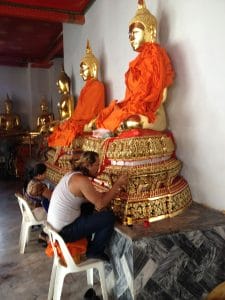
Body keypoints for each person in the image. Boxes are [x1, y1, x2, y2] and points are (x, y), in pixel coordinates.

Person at [86, 0, 174, 133]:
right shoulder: (137, 61)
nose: (131, 38)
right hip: (134, 108)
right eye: (129, 35)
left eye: (135, 32)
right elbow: (129, 98)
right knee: (101, 120)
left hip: (153, 112)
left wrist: (137, 107)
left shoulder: (156, 54)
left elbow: (161, 95)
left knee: (131, 121)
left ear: (150, 31)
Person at [47, 151, 128, 261]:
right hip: (64, 232)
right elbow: (100, 204)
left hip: (56, 229)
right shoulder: (81, 180)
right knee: (108, 217)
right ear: (87, 165)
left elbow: (89, 198)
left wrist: (103, 195)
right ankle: (94, 251)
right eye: (97, 165)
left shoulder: (71, 175)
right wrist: (117, 185)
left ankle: (89, 242)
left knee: (89, 206)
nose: (99, 168)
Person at [48, 40, 105, 147]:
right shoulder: (84, 89)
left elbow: (92, 113)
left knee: (70, 128)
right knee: (58, 127)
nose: (80, 73)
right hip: (78, 120)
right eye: (80, 70)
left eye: (83, 69)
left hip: (88, 121)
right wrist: (70, 120)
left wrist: (75, 121)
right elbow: (78, 111)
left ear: (93, 68)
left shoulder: (98, 86)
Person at [24, 163, 53, 244]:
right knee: (57, 214)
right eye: (45, 173)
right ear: (39, 175)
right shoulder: (39, 185)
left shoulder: (31, 181)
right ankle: (45, 235)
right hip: (36, 212)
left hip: (31, 210)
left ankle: (44, 234)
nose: (46, 175)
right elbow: (52, 197)